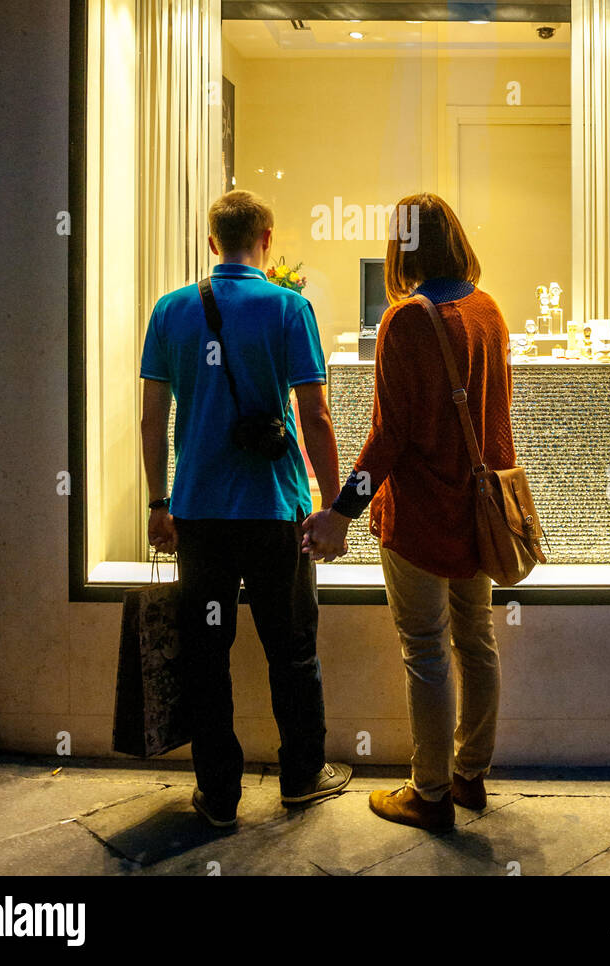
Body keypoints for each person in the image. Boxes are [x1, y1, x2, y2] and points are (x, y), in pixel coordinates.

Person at [303, 193, 516, 832]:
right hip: (479, 513)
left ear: (403, 245)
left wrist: (341, 509)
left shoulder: (407, 319)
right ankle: (469, 775)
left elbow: (388, 436)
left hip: (422, 515)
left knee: (425, 650)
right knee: (476, 643)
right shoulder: (488, 310)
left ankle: (429, 794)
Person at [140, 189, 352, 829]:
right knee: (291, 648)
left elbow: (152, 419)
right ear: (266, 238)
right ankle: (300, 776)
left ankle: (219, 795)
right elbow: (314, 414)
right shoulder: (289, 307)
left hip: (198, 513)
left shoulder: (171, 310)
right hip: (274, 511)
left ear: (212, 244)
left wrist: (158, 502)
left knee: (206, 654)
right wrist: (333, 504)